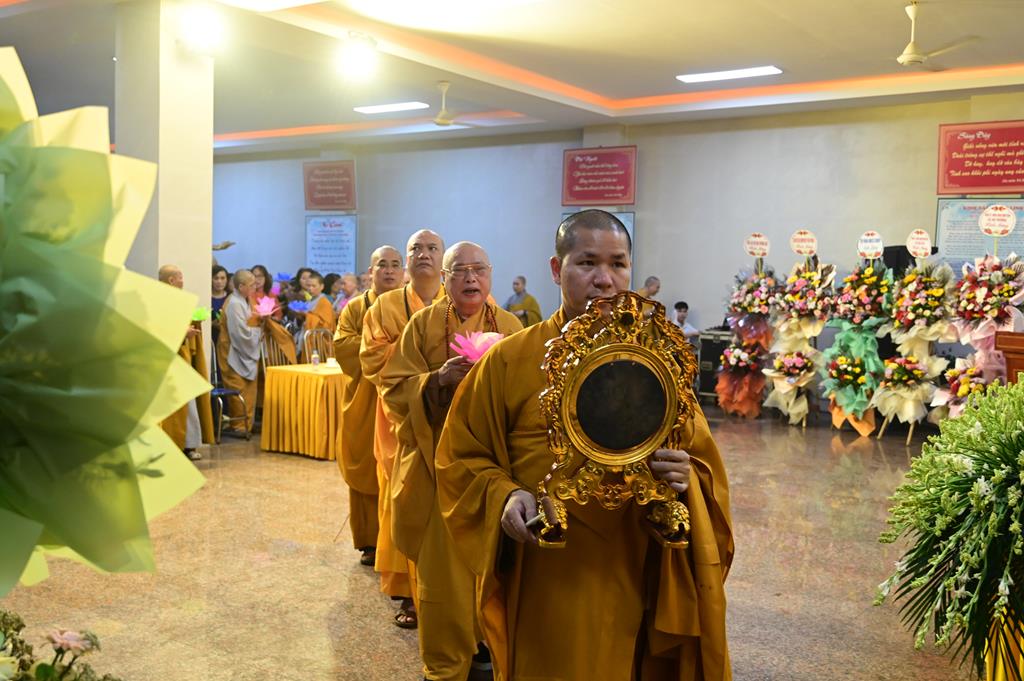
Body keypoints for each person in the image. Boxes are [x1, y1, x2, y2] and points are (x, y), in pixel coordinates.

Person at [435, 210, 733, 680]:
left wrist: (687, 478)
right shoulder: (510, 360)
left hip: (636, 558)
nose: (604, 280)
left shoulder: (658, 363)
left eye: (618, 264)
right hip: (550, 564)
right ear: (557, 269)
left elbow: (699, 461)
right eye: (587, 263)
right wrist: (505, 494)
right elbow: (460, 456)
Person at [383, 242, 522, 681]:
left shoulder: (512, 327)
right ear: (444, 279)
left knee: (491, 566)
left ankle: (484, 646)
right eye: (459, 270)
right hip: (436, 465)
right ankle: (443, 665)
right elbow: (393, 388)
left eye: (479, 269)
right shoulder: (423, 324)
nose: (470, 278)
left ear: (491, 275)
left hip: (491, 470)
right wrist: (435, 381)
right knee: (442, 576)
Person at [360, 229, 446, 629]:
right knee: (402, 497)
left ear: (443, 260)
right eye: (416, 249)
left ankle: (447, 589)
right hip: (399, 417)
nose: (423, 254)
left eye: (432, 248)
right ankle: (408, 592)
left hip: (449, 418)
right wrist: (418, 354)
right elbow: (372, 359)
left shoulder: (463, 300)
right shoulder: (386, 306)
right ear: (407, 260)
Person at [333, 245, 405, 568]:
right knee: (365, 466)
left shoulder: (411, 305)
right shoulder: (355, 308)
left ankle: (401, 543)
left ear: (403, 271)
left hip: (400, 397)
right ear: (370, 272)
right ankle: (370, 541)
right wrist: (380, 345)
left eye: (395, 265)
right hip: (365, 397)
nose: (389, 271)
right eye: (382, 265)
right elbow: (342, 346)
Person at [157, 265, 214, 461]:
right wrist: (184, 333)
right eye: (180, 276)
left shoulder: (179, 300)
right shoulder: (160, 301)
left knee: (187, 405)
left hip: (182, 358)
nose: (183, 280)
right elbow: (161, 331)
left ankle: (188, 445)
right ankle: (172, 445)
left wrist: (194, 323)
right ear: (171, 280)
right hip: (169, 361)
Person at [220, 269, 262, 436]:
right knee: (238, 387)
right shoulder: (234, 304)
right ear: (241, 286)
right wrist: (258, 331)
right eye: (251, 285)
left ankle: (246, 424)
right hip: (233, 351)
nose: (255, 288)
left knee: (249, 389)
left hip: (244, 350)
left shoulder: (244, 300)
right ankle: (238, 426)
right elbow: (240, 334)